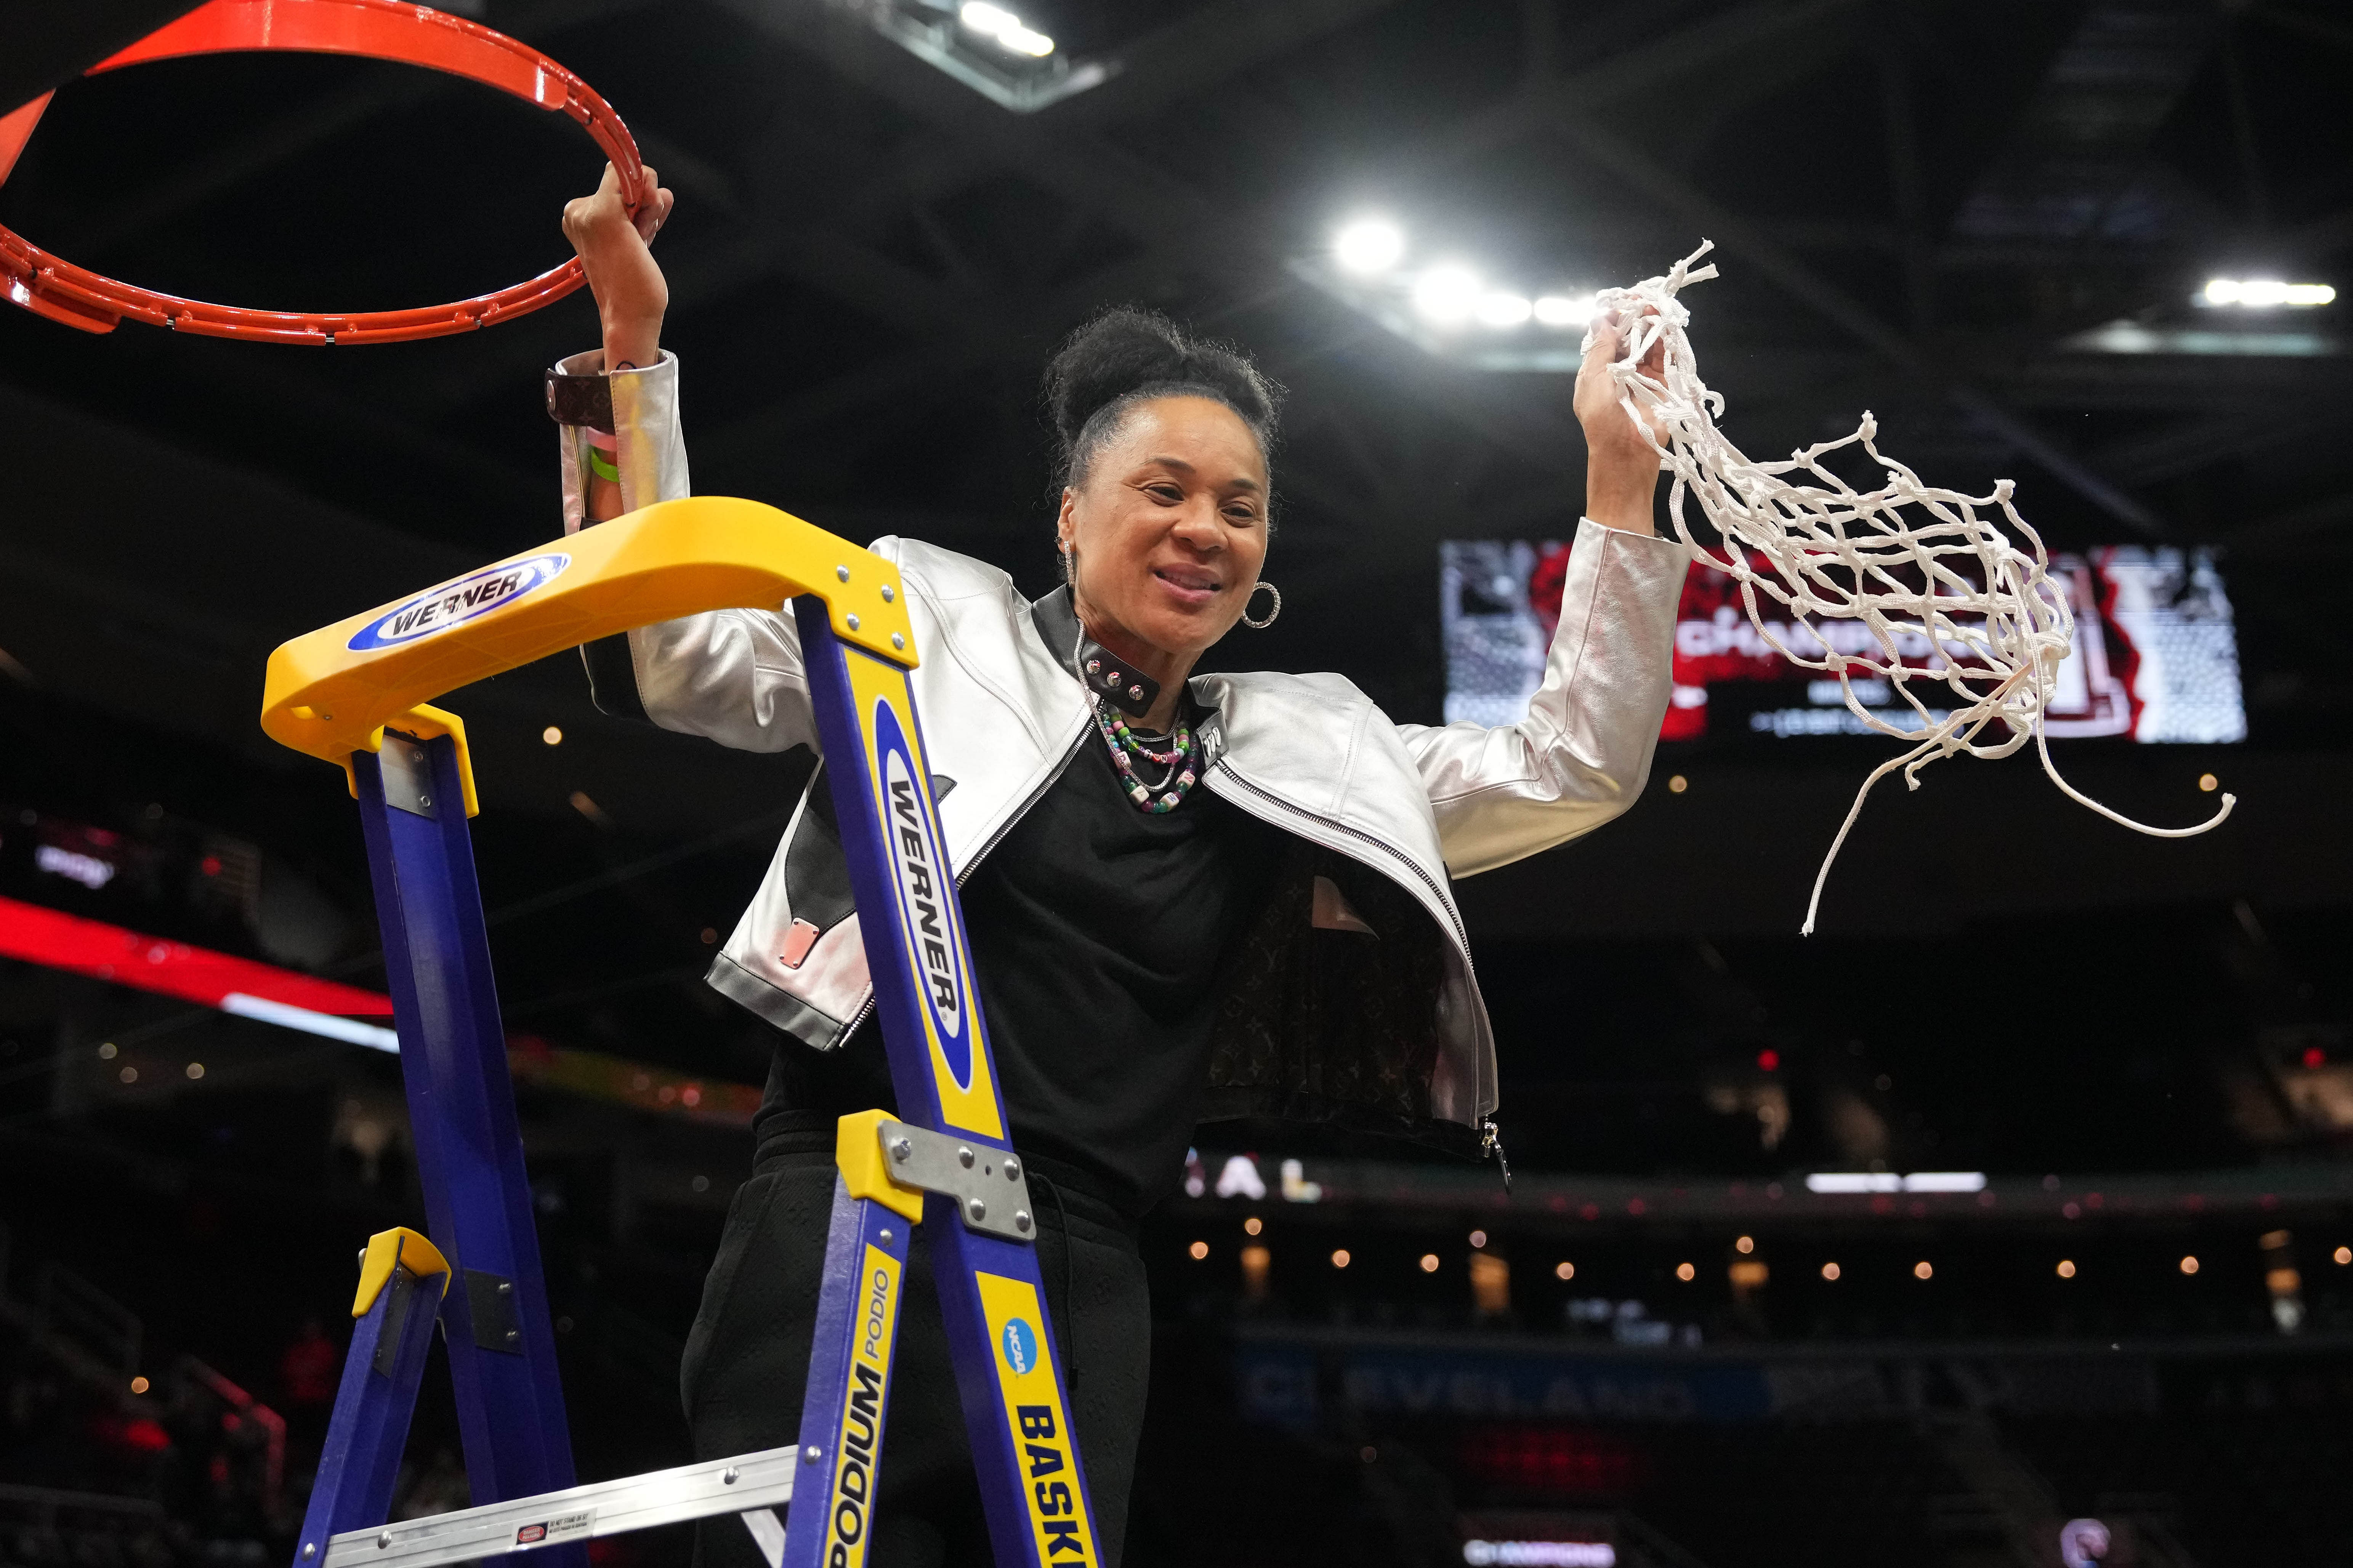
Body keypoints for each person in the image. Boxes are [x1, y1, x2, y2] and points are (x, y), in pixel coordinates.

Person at [551, 163, 1686, 1567]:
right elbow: (665, 653)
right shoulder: (924, 617)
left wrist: (1621, 472)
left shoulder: (1301, 748)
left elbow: (1576, 762)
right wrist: (627, 354)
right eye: (1164, 488)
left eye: (1242, 505)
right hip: (855, 1203)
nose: (1206, 527)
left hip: (1084, 1266)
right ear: (1072, 514)